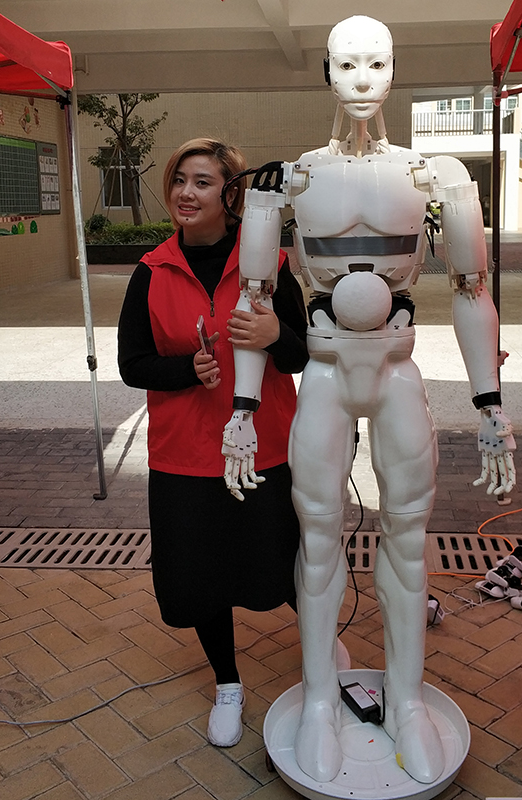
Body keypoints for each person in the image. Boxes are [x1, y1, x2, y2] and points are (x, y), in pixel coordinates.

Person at [221, 17, 516, 785]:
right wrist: (242, 411)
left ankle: (406, 701)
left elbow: (472, 289)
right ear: (326, 71)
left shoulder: (436, 174)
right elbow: (254, 300)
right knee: (318, 538)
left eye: (375, 64)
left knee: (409, 538)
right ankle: (321, 698)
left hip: (395, 370)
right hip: (323, 372)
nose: (361, 79)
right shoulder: (284, 181)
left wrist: (489, 401)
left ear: (392, 69)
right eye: (347, 64)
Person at [117, 137, 309, 748]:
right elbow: (131, 364)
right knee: (200, 576)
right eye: (179, 180)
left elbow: (303, 354)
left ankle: (320, 647)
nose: (185, 192)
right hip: (186, 456)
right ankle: (227, 682)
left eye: (202, 182)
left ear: (232, 195)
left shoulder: (270, 265)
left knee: (286, 560)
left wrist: (276, 333)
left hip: (267, 448)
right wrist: (184, 370)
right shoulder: (151, 271)